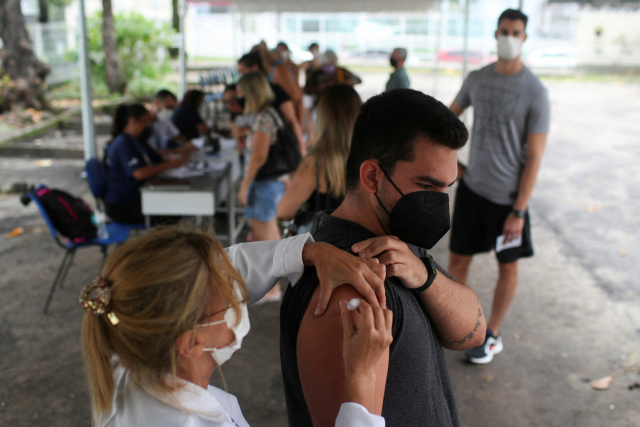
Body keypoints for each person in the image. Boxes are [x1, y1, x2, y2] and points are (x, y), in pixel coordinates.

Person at [280, 89, 487, 427]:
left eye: (447, 188)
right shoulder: (345, 288)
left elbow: (473, 334)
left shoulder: (401, 240)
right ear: (372, 176)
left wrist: (425, 276)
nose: (438, 204)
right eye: (427, 186)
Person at [81, 227, 393, 427]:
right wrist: (361, 379)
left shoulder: (130, 341)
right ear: (192, 343)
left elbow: (218, 269)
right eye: (230, 297)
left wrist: (308, 251)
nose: (237, 294)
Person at [447, 8, 550, 364]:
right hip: (472, 189)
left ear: (524, 37)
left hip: (507, 201)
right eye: (504, 31)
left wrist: (519, 210)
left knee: (507, 265)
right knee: (458, 258)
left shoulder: (535, 92)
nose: (509, 37)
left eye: (515, 32)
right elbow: (447, 120)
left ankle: (491, 334)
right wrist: (453, 165)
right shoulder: (477, 79)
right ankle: (456, 321)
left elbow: (534, 156)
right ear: (495, 33)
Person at [236, 71, 291, 300]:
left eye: (241, 91)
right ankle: (273, 287)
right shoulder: (270, 114)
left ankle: (271, 289)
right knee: (271, 237)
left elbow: (259, 156)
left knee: (264, 240)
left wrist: (244, 186)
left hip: (263, 185)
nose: (239, 96)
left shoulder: (263, 118)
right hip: (271, 185)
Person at [277, 84, 362, 223]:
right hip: (367, 235)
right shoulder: (374, 155)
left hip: (327, 235)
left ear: (322, 118)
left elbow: (283, 211)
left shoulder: (316, 163)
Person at [104, 104, 186, 224]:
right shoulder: (123, 143)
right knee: (172, 213)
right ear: (133, 121)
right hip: (123, 204)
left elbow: (157, 157)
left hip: (141, 195)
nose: (148, 125)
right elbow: (139, 173)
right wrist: (170, 164)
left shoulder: (138, 140)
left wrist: (178, 156)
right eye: (145, 121)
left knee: (178, 204)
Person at [237, 52, 306, 156]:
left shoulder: (275, 91)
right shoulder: (244, 95)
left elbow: (292, 119)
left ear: (254, 68)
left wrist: (301, 147)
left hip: (278, 152)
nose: (241, 75)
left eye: (242, 71)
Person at [253, 41, 304, 125]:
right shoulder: (272, 70)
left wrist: (298, 124)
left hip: (289, 119)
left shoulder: (278, 69)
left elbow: (296, 97)